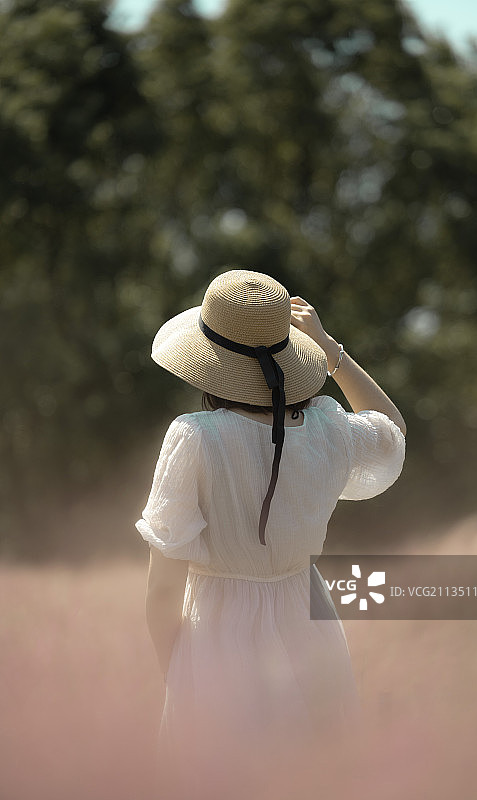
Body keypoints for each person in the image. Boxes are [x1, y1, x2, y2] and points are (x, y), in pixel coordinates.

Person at [135, 269, 406, 799]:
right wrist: (333, 352)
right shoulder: (328, 425)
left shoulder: (194, 437)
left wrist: (181, 677)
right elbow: (390, 433)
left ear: (207, 366)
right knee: (315, 778)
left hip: (218, 629)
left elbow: (161, 593)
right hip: (309, 619)